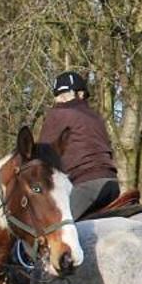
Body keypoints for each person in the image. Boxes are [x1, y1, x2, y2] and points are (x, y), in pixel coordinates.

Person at [39, 69, 121, 218]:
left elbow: (42, 157)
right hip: (111, 182)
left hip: (85, 184)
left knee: (54, 229)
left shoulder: (56, 115)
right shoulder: (96, 117)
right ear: (81, 94)